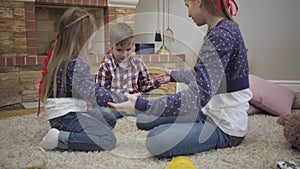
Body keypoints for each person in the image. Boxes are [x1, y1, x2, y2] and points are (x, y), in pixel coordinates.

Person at [108, 0, 252, 158]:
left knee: (155, 139)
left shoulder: (222, 35)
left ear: (198, 2)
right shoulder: (219, 30)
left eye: (187, 6)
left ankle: (195, 129)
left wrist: (143, 104)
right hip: (208, 111)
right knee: (144, 120)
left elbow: (198, 95)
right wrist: (173, 75)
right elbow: (205, 77)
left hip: (224, 126)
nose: (188, 13)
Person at [39, 7, 127, 151]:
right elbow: (93, 93)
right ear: (81, 38)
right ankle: (59, 138)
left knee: (109, 118)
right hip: (67, 117)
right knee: (107, 139)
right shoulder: (75, 64)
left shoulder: (62, 59)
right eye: (91, 38)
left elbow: (83, 89)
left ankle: (122, 110)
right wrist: (121, 98)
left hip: (66, 113)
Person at [96, 22, 161, 118]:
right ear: (110, 47)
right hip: (115, 106)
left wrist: (157, 81)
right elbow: (101, 93)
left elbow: (144, 86)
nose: (124, 54)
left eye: (128, 49)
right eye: (119, 50)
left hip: (134, 104)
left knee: (150, 115)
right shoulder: (106, 66)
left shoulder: (138, 64)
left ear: (133, 46)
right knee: (105, 114)